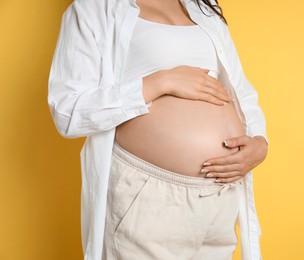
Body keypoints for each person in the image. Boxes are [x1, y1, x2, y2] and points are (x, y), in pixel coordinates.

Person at [48, 0, 269, 259]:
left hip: (220, 196)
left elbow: (240, 90)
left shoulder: (204, 10)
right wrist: (160, 81)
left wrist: (259, 142)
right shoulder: (93, 9)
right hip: (147, 197)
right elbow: (68, 110)